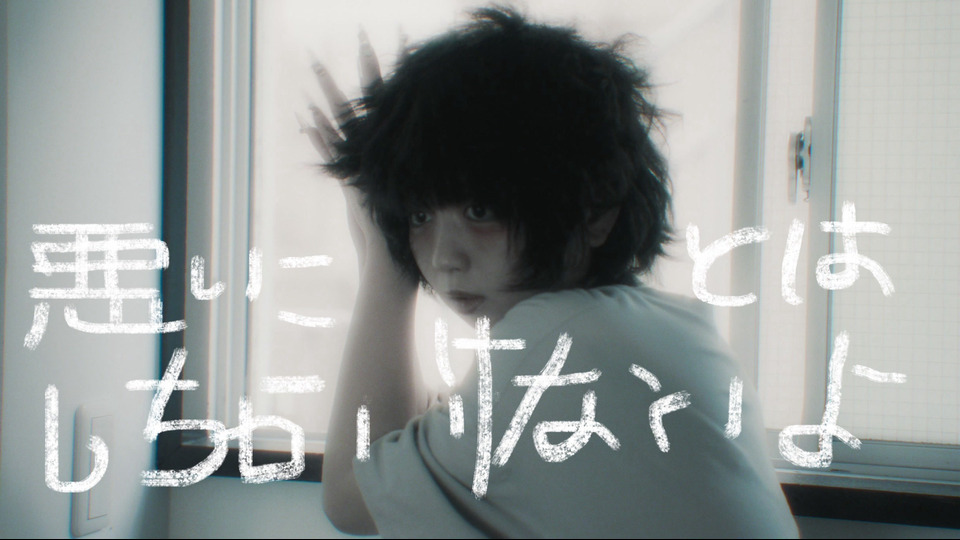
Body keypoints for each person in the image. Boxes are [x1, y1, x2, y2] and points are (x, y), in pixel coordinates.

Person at [302, 7, 798, 538]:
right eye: (418, 215)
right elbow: (414, 442)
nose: (444, 257)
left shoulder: (554, 347)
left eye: (480, 210)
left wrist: (384, 258)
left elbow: (350, 499)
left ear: (594, 212)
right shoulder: (661, 326)